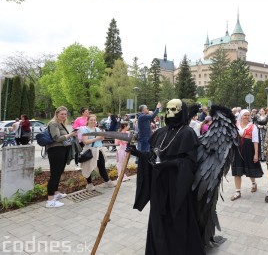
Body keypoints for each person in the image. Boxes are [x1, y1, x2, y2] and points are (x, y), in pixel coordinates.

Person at [130, 99, 206, 255]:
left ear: (181, 112)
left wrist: (170, 164)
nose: (170, 113)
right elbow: (153, 156)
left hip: (176, 186)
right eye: (168, 109)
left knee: (176, 220)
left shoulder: (187, 133)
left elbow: (190, 163)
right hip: (159, 186)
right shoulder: (160, 132)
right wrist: (138, 154)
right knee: (158, 220)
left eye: (174, 109)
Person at [46, 106, 79, 208]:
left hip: (62, 150)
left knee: (59, 172)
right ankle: (50, 200)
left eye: (65, 114)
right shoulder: (53, 123)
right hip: (55, 150)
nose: (64, 116)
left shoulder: (60, 123)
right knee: (55, 174)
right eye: (62, 114)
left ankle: (55, 193)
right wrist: (70, 135)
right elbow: (57, 138)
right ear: (56, 114)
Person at [230, 109, 264, 201]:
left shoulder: (253, 126)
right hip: (237, 150)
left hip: (249, 150)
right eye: (245, 115)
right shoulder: (235, 125)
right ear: (241, 116)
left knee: (250, 169)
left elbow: (256, 141)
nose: (247, 117)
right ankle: (237, 191)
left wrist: (256, 154)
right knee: (237, 170)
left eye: (248, 115)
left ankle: (253, 183)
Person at [80, 114, 116, 191]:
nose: (93, 121)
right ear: (88, 121)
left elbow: (101, 139)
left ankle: (107, 181)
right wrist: (97, 138)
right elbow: (85, 141)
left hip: (99, 150)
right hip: (89, 151)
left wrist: (102, 137)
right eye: (91, 120)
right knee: (88, 167)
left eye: (94, 120)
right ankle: (89, 184)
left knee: (102, 166)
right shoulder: (85, 130)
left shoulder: (98, 129)